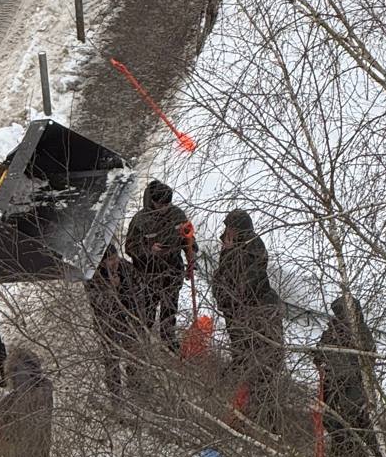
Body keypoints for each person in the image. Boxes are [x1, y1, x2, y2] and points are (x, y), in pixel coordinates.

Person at [212, 210, 285, 433]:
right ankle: (244, 409)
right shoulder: (232, 246)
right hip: (239, 315)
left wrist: (230, 253)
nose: (227, 232)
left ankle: (267, 422)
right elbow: (225, 278)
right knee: (244, 360)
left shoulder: (251, 250)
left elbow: (242, 286)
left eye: (231, 229)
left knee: (261, 370)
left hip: (254, 316)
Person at [313, 295, 382, 457]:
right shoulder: (338, 330)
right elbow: (320, 355)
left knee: (357, 451)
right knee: (346, 447)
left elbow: (358, 364)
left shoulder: (359, 335)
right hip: (338, 403)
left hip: (351, 404)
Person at [124, 180, 195, 353]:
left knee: (169, 310)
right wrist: (149, 250)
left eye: (167, 205)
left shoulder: (177, 215)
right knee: (147, 313)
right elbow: (130, 248)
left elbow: (188, 238)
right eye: (161, 205)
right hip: (148, 275)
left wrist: (191, 257)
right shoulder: (140, 220)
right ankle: (143, 344)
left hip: (172, 271)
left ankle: (168, 338)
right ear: (153, 201)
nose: (164, 208)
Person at [84, 244, 143, 397]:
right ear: (102, 262)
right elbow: (99, 304)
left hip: (129, 320)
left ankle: (136, 386)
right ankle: (116, 394)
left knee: (135, 355)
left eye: (115, 257)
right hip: (108, 325)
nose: (115, 261)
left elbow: (140, 290)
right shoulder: (93, 276)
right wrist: (111, 288)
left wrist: (123, 289)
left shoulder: (125, 267)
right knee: (112, 360)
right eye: (110, 259)